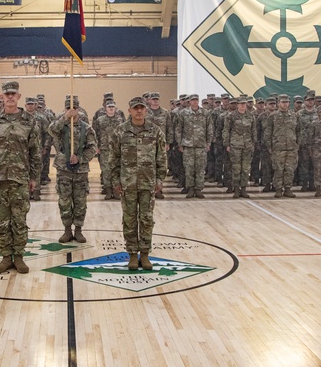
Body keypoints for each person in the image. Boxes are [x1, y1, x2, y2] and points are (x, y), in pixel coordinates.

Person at [0, 81, 41, 275]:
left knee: (19, 219)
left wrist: (33, 177)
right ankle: (6, 257)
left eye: (13, 94)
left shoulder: (29, 121)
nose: (10, 97)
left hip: (20, 178)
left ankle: (20, 256)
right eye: (7, 94)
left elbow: (35, 152)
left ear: (19, 96)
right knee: (1, 220)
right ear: (1, 97)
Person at [108, 96, 167, 271]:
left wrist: (159, 179)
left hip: (148, 183)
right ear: (130, 111)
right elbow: (113, 159)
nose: (139, 111)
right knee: (130, 220)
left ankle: (145, 254)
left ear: (146, 110)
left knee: (147, 219)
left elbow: (161, 157)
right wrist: (115, 180)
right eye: (136, 108)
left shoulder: (155, 131)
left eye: (142, 108)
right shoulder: (120, 132)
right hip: (128, 183)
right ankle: (133, 254)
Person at [48, 95, 97, 243]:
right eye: (69, 108)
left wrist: (80, 159)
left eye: (74, 108)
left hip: (80, 171)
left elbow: (92, 148)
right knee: (64, 201)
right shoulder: (60, 126)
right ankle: (67, 230)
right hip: (64, 169)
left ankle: (79, 230)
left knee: (80, 201)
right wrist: (64, 118)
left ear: (79, 109)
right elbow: (50, 130)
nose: (72, 111)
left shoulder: (86, 128)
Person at [178, 94, 213, 198]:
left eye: (196, 100)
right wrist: (180, 143)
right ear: (189, 102)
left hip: (201, 145)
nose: (194, 102)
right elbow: (179, 129)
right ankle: (190, 188)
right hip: (187, 145)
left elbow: (209, 128)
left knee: (200, 168)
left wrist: (208, 142)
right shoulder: (183, 113)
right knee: (189, 168)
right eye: (192, 100)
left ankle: (198, 188)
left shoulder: (205, 113)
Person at [266, 94, 300, 198]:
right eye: (283, 102)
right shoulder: (273, 116)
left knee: (289, 169)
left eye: (286, 102)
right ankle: (278, 189)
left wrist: (297, 144)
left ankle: (288, 188)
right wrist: (269, 146)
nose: (285, 104)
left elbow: (299, 131)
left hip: (291, 147)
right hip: (278, 147)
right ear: (278, 103)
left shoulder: (294, 116)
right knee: (278, 169)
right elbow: (268, 132)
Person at [224, 96, 256, 199]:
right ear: (237, 105)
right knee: (236, 168)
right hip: (235, 145)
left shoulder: (251, 116)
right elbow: (226, 130)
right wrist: (227, 144)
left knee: (246, 169)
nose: (243, 106)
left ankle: (244, 189)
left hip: (247, 145)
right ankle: (236, 189)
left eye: (244, 104)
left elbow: (253, 131)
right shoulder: (231, 116)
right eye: (241, 104)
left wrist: (253, 143)